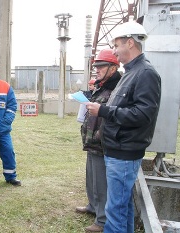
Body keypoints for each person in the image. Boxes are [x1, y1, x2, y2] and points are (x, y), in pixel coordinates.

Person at [86, 21, 161, 233]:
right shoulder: (131, 72)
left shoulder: (145, 73)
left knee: (115, 208)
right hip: (117, 150)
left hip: (124, 152)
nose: (115, 51)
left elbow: (143, 115)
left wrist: (103, 111)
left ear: (130, 43)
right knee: (123, 206)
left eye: (117, 45)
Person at [76, 49, 121, 232]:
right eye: (96, 66)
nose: (97, 69)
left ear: (113, 67)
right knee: (92, 179)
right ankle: (93, 207)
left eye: (101, 66)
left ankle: (101, 221)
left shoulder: (117, 87)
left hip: (102, 142)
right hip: (93, 140)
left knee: (101, 183)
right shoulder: (101, 85)